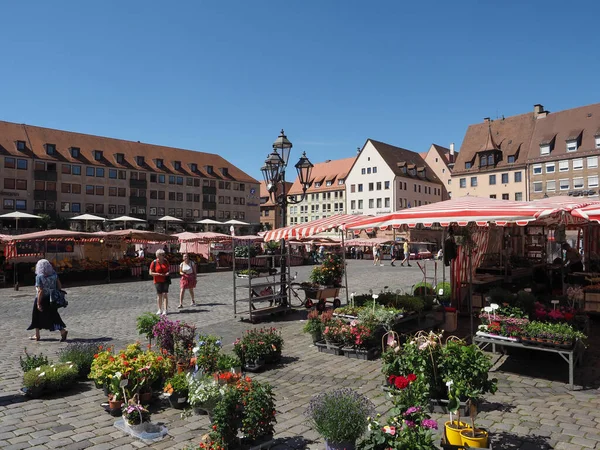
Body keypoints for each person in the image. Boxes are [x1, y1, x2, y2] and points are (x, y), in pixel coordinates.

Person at [27, 259, 68, 342]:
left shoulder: (39, 277)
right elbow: (59, 285)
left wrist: (38, 303)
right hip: (51, 298)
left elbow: (40, 291)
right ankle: (62, 331)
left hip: (42, 298)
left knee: (36, 316)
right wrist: (58, 292)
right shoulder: (54, 274)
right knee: (54, 315)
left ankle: (37, 335)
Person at [149, 249, 170, 315]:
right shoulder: (154, 262)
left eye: (163, 254)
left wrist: (167, 273)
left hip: (165, 279)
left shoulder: (166, 261)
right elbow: (150, 272)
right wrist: (158, 274)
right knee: (159, 295)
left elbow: (169, 270)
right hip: (157, 280)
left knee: (165, 294)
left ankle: (165, 309)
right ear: (157, 255)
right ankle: (159, 309)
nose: (163, 256)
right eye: (161, 255)